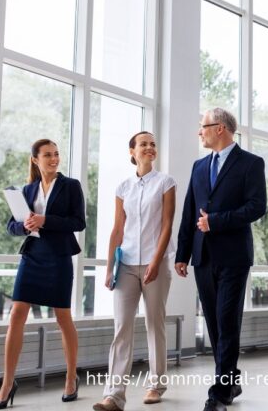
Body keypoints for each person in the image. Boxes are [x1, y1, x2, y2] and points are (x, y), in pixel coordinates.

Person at [174, 108, 267, 411]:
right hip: (203, 257)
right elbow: (190, 211)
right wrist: (182, 254)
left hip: (234, 257)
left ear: (221, 129)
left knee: (227, 321)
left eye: (203, 127)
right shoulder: (199, 166)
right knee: (214, 323)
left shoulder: (251, 164)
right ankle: (231, 379)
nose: (199, 132)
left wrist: (216, 221)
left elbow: (256, 207)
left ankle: (219, 394)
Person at [0, 139, 86, 409]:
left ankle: (70, 378)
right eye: (48, 155)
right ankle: (8, 383)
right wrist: (25, 225)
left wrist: (45, 220)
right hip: (32, 255)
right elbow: (11, 226)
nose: (54, 159)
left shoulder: (70, 186)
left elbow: (78, 222)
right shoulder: (27, 189)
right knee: (16, 314)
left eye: (56, 154)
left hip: (58, 257)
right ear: (35, 159)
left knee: (62, 316)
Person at [92, 131, 176, 411]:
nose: (150, 147)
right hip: (125, 265)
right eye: (144, 144)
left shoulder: (166, 182)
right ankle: (114, 395)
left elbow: (166, 225)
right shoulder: (123, 187)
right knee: (122, 328)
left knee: (155, 324)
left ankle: (156, 384)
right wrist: (109, 267)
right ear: (132, 152)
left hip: (156, 263)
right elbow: (118, 229)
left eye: (153, 143)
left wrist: (155, 261)